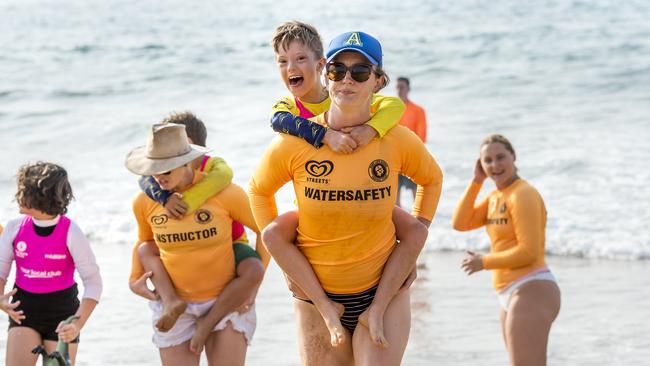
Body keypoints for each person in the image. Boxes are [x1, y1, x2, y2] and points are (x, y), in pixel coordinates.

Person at [250, 31, 443, 365]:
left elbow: (432, 179)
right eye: (338, 70)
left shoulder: (397, 139)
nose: (347, 79)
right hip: (316, 299)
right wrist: (290, 269)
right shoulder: (295, 141)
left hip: (382, 291)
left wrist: (410, 250)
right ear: (326, 75)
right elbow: (258, 190)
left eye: (360, 72)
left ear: (378, 81)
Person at [125, 123, 268, 365]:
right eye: (153, 170)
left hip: (225, 303)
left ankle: (208, 323)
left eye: (166, 170)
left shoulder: (226, 194)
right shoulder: (144, 201)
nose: (159, 177)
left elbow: (265, 231)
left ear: (187, 162)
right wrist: (134, 280)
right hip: (175, 308)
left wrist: (253, 287)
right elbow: (145, 242)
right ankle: (174, 304)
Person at [452, 134, 561, 366]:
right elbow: (460, 222)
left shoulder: (523, 194)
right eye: (487, 160)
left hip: (532, 287)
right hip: (508, 293)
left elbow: (529, 251)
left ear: (514, 156)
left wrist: (484, 262)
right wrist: (476, 181)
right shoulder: (496, 196)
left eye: (500, 157)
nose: (495, 165)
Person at [0, 162, 102, 366]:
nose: (16, 195)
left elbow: (93, 282)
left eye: (22, 190)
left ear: (38, 196)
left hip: (62, 318)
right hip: (23, 312)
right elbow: (1, 270)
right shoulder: (14, 228)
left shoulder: (71, 232)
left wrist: (78, 324)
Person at [395, 76, 427, 208]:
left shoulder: (418, 110)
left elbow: (422, 137)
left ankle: (419, 222)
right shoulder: (390, 110)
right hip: (394, 157)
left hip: (411, 157)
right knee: (394, 195)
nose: (399, 90)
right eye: (397, 87)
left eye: (402, 87)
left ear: (408, 89)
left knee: (415, 193)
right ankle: (397, 227)